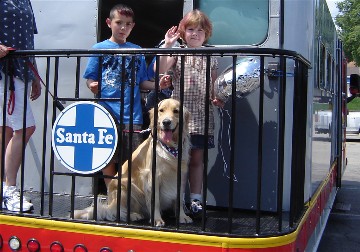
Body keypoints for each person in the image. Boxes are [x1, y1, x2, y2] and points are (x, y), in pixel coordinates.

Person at [83, 4, 171, 188]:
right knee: (108, 159)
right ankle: (112, 197)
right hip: (106, 114)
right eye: (119, 23)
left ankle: (127, 200)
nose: (123, 28)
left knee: (130, 160)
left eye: (128, 24)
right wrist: (92, 85)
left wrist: (158, 85)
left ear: (132, 26)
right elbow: (90, 78)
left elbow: (143, 83)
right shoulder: (98, 48)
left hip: (133, 115)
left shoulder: (137, 50)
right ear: (109, 23)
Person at [155, 9, 224, 218]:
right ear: (183, 33)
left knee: (196, 160)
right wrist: (167, 44)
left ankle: (195, 199)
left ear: (207, 33)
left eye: (200, 30)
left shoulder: (210, 56)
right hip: (179, 118)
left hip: (202, 116)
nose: (195, 34)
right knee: (177, 161)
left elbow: (213, 82)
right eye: (191, 29)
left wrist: (216, 97)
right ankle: (177, 200)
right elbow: (161, 68)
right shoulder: (178, 52)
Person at [0, 0, 42, 212]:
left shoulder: (25, 1)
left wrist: (34, 74)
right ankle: (10, 189)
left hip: (20, 71)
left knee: (7, 130)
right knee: (25, 128)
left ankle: (3, 190)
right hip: (4, 72)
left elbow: (28, 41)